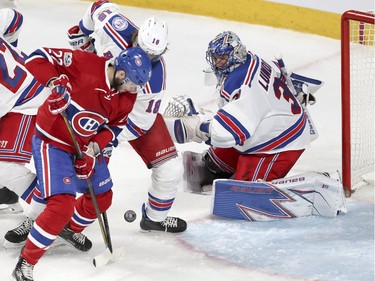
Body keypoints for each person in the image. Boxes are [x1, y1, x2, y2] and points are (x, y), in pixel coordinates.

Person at [162, 31, 346, 219]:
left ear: (235, 55)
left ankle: (321, 184)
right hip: (265, 125)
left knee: (243, 198)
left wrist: (195, 125)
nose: (217, 63)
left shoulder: (242, 85)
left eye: (222, 58)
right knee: (210, 165)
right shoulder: (250, 59)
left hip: (280, 142)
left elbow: (228, 133)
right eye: (215, 58)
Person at [12, 46, 152, 281]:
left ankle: (69, 229)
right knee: (61, 205)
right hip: (52, 141)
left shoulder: (127, 96)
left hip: (82, 147)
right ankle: (26, 263)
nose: (133, 90)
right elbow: (36, 57)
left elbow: (114, 127)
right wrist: (55, 81)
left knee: (103, 197)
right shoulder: (83, 63)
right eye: (131, 84)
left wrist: (92, 151)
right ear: (120, 75)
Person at [66, 0, 186, 232]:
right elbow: (98, 6)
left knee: (170, 169)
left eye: (152, 56)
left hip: (129, 120)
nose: (144, 58)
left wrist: (108, 138)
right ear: (137, 36)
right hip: (98, 101)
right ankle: (51, 217)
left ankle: (154, 218)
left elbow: (140, 123)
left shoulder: (153, 82)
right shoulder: (115, 27)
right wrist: (83, 30)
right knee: (77, 169)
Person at [0, 8, 49, 219]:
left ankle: (51, 211)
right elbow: (12, 17)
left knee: (4, 165)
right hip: (28, 96)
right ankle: (6, 196)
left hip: (31, 104)